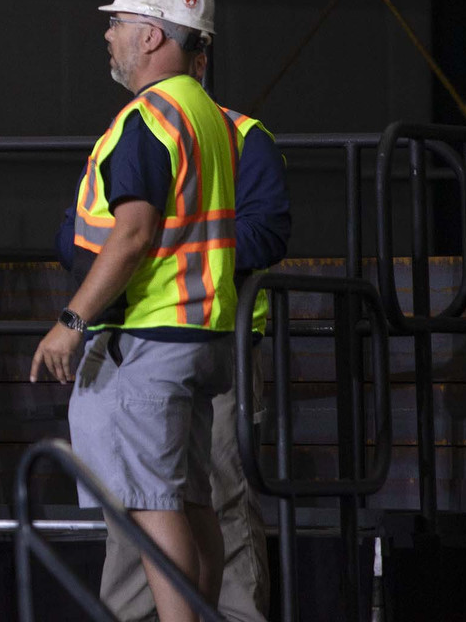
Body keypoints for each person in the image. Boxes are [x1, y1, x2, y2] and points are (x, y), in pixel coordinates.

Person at [31, 0, 241, 622]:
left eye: (118, 23)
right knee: (194, 503)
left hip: (151, 337)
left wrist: (72, 318)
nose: (109, 35)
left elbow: (134, 231)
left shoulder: (150, 117)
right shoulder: (206, 114)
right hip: (202, 331)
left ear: (153, 35)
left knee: (153, 510)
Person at [57, 47, 291, 622]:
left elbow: (265, 233)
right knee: (138, 503)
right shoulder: (138, 129)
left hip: (211, 338)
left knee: (218, 498)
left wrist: (162, 240)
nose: (109, 38)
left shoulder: (239, 135)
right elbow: (76, 235)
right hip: (141, 338)